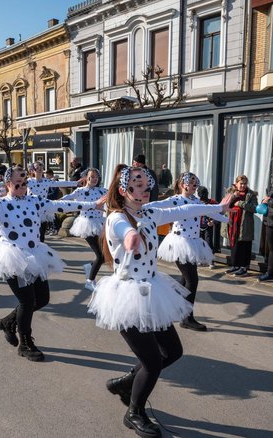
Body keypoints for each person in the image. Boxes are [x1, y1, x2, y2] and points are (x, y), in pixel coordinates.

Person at [88, 166, 229, 437]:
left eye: (145, 185)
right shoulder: (117, 217)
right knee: (152, 362)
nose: (144, 190)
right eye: (137, 186)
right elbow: (121, 228)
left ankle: (127, 382)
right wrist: (130, 236)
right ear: (123, 191)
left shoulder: (150, 212)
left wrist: (216, 209)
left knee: (173, 352)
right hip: (128, 297)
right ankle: (134, 412)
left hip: (152, 291)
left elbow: (183, 211)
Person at [0, 166, 104, 362]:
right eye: (18, 184)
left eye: (25, 184)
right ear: (7, 184)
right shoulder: (0, 203)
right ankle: (25, 343)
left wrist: (93, 204)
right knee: (27, 301)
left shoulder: (35, 200)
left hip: (34, 255)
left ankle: (8, 322)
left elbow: (62, 205)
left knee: (42, 299)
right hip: (12, 257)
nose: (22, 187)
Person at [146, 171, 227, 331]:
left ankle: (178, 310)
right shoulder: (177, 199)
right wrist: (137, 208)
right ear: (183, 184)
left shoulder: (196, 201)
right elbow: (157, 205)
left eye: (196, 181)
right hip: (180, 242)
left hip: (193, 243)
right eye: (192, 181)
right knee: (192, 280)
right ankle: (186, 317)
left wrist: (227, 217)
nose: (195, 184)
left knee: (185, 280)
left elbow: (211, 212)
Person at [59, 168, 108, 291]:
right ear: (86, 178)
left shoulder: (101, 190)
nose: (94, 179)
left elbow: (114, 194)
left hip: (100, 224)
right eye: (92, 176)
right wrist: (53, 204)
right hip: (86, 224)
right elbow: (68, 198)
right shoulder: (80, 191)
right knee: (101, 256)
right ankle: (90, 281)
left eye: (96, 177)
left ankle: (90, 267)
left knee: (105, 255)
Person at [27, 160, 79, 242]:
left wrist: (76, 183)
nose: (40, 168)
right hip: (31, 209)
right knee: (32, 232)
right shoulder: (29, 181)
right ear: (33, 170)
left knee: (41, 234)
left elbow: (61, 184)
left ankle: (40, 248)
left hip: (43, 209)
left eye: (41, 167)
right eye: (37, 167)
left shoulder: (46, 181)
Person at [221, 175, 258, 277]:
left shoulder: (251, 195)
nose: (243, 185)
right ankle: (235, 265)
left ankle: (244, 267)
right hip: (233, 223)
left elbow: (255, 208)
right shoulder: (231, 192)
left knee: (244, 245)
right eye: (241, 183)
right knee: (235, 245)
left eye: (245, 183)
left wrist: (241, 203)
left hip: (245, 224)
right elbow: (224, 205)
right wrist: (234, 196)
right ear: (236, 183)